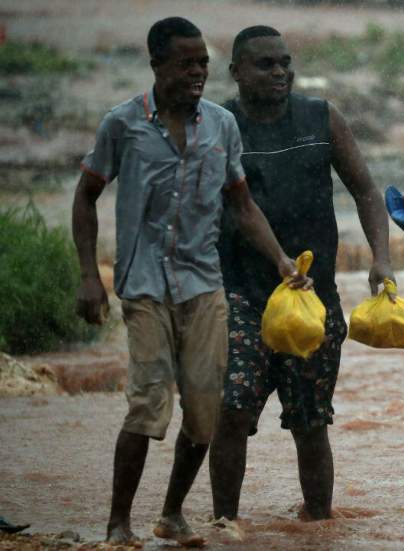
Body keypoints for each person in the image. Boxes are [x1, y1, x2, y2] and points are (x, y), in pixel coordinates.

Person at [72, 17, 306, 546]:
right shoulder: (123, 124)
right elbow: (85, 196)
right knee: (149, 405)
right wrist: (90, 275)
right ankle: (118, 523)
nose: (198, 71)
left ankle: (172, 514)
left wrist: (282, 262)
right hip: (145, 286)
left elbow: (241, 204)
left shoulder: (222, 125)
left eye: (202, 61)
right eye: (186, 63)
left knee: (205, 415)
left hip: (204, 286)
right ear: (157, 65)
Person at [208, 26, 394, 538]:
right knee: (233, 409)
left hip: (315, 299)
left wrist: (381, 258)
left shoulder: (321, 118)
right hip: (242, 295)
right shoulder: (221, 126)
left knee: (311, 422)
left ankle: (317, 529)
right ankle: (225, 524)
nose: (280, 73)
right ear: (237, 72)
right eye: (265, 64)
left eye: (285, 63)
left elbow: (366, 191)